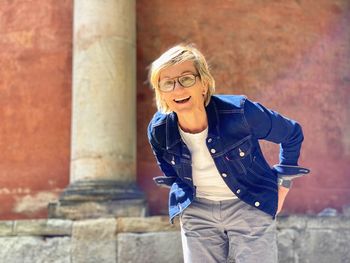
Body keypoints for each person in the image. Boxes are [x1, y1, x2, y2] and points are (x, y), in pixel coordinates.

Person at [147, 44, 309, 263]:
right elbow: (171, 171)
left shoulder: (241, 112)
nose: (177, 89)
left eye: (186, 79)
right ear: (161, 93)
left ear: (204, 84)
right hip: (198, 211)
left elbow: (291, 133)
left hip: (250, 203)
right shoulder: (159, 131)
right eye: (167, 83)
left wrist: (283, 187)